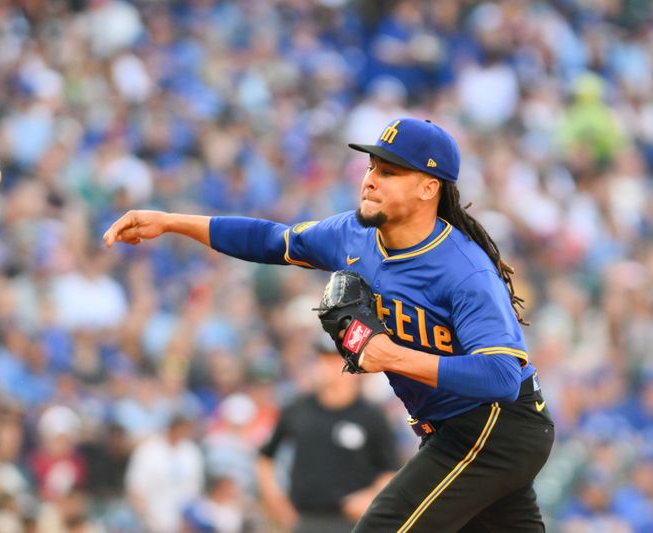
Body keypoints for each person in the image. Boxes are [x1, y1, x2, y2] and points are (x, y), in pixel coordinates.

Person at [103, 117, 556, 532]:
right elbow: (270, 240)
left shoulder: (465, 271)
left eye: (391, 171)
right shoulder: (353, 235)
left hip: (492, 427)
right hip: (461, 429)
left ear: (428, 188)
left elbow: (501, 377)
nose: (371, 180)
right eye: (372, 165)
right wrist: (170, 221)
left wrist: (390, 355)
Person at [256, 333, 400, 533]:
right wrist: (278, 504)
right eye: (323, 359)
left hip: (354, 522)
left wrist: (371, 497)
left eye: (335, 360)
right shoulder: (298, 408)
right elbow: (265, 458)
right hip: (306, 520)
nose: (328, 367)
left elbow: (390, 470)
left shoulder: (371, 415)